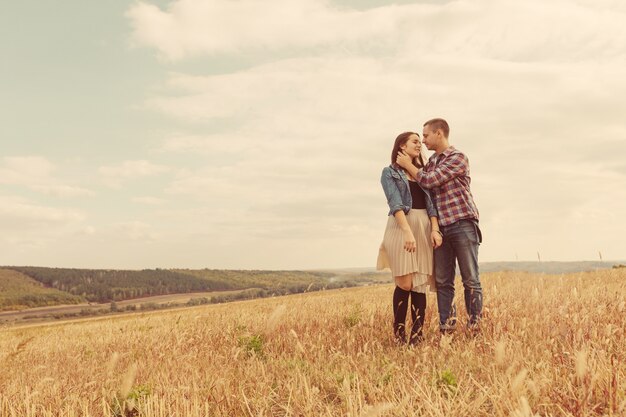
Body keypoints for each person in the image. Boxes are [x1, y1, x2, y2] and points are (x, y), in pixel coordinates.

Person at [396, 118, 483, 333]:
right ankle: (447, 327)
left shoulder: (457, 158)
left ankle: (474, 327)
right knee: (444, 282)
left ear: (439, 134)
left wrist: (408, 165)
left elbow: (429, 180)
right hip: (440, 229)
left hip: (462, 223)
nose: (423, 140)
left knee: (470, 279)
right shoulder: (431, 162)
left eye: (425, 136)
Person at [377, 132, 442, 345]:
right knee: (405, 283)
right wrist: (407, 232)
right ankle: (399, 334)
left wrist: (434, 229)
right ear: (402, 146)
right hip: (401, 226)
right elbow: (395, 203)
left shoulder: (423, 173)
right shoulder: (389, 173)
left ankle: (417, 336)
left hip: (423, 227)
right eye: (415, 141)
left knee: (420, 284)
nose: (419, 144)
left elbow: (432, 204)